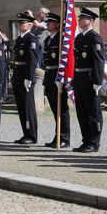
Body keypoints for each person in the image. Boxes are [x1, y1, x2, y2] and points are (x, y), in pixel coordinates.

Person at [73, 8, 105, 153]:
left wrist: (98, 82)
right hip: (79, 79)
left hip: (90, 79)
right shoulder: (79, 38)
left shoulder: (94, 38)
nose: (79, 20)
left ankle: (94, 142)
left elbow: (99, 62)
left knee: (93, 112)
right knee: (82, 112)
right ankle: (86, 140)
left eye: (82, 18)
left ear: (90, 21)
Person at [41, 13, 71, 148]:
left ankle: (64, 137)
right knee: (54, 108)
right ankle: (57, 135)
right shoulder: (48, 39)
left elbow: (65, 60)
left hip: (58, 76)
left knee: (62, 109)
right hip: (49, 76)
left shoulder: (61, 39)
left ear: (58, 24)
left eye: (51, 22)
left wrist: (63, 78)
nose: (48, 24)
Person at [11, 12, 40, 144]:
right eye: (19, 23)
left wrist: (29, 77)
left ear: (29, 25)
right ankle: (25, 133)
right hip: (18, 74)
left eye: (23, 23)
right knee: (21, 107)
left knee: (28, 107)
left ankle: (31, 135)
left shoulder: (31, 39)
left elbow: (32, 60)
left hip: (25, 76)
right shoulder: (19, 39)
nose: (20, 25)